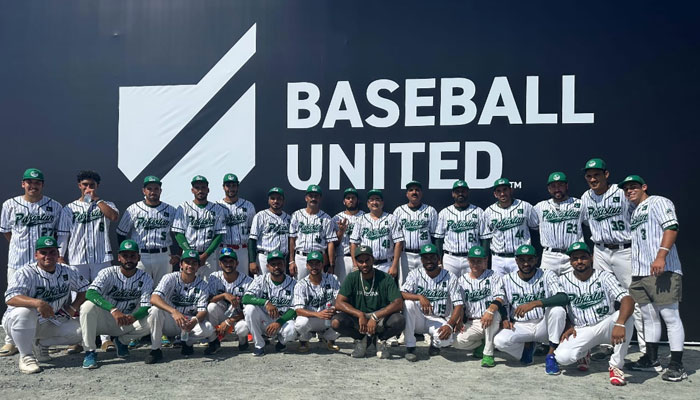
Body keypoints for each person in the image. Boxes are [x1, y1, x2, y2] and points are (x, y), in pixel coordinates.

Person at [621, 175, 687, 382]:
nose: (630, 191)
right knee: (649, 317)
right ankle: (651, 359)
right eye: (627, 189)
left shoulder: (658, 201)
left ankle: (677, 365)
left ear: (644, 187)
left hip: (662, 269)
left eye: (634, 187)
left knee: (670, 316)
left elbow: (671, 227)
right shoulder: (635, 211)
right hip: (640, 272)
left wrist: (661, 256)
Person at [545, 242, 635, 386]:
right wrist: (567, 324)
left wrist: (619, 323)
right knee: (562, 358)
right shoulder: (562, 280)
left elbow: (627, 299)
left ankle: (616, 366)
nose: (579, 261)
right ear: (570, 261)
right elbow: (560, 308)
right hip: (581, 329)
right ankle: (583, 353)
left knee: (627, 317)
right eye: (575, 258)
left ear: (591, 258)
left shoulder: (604, 276)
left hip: (606, 325)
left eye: (583, 257)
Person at [580, 159, 645, 357]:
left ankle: (644, 349)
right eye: (589, 176)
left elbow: (641, 212)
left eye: (597, 175)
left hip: (624, 249)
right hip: (600, 250)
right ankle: (606, 343)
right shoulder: (586, 197)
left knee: (634, 297)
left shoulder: (621, 192)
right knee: (603, 298)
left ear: (606, 174)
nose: (593, 179)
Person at [0, 168, 63, 357]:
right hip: (18, 261)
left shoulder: (55, 206)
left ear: (42, 185)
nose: (33, 186)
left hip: (44, 264)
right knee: (14, 302)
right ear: (23, 184)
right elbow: (7, 232)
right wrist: (21, 247)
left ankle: (41, 340)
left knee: (47, 298)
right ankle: (10, 341)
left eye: (37, 183)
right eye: (29, 182)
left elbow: (60, 234)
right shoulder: (10, 204)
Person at [2, 236, 88, 373]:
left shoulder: (67, 271)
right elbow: (11, 298)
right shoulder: (25, 272)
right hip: (17, 323)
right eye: (43, 252)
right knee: (25, 311)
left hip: (49, 321)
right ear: (36, 255)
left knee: (82, 331)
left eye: (52, 252)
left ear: (58, 254)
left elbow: (84, 289)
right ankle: (26, 356)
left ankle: (40, 345)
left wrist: (73, 307)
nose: (48, 256)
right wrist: (37, 302)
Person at [57, 170, 119, 352]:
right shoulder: (69, 208)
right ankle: (77, 338)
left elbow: (114, 217)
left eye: (91, 185)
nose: (88, 188)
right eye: (85, 185)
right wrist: (61, 256)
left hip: (101, 257)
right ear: (79, 186)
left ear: (97, 186)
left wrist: (96, 200)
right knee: (77, 297)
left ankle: (106, 338)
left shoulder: (106, 204)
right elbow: (63, 234)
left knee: (103, 294)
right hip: (77, 259)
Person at [79, 240, 153, 369]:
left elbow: (146, 305)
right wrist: (113, 309)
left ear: (138, 258)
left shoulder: (145, 277)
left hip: (127, 320)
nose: (128, 259)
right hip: (105, 319)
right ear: (119, 257)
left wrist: (134, 317)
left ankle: (121, 342)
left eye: (132, 256)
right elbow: (90, 293)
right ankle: (90, 351)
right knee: (87, 306)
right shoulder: (107, 272)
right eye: (125, 256)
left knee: (153, 317)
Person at [493, 245, 566, 374]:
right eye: (522, 260)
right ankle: (525, 349)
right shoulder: (506, 279)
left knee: (558, 310)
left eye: (530, 259)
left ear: (536, 260)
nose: (526, 263)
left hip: (544, 325)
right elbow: (499, 300)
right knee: (499, 341)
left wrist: (534, 303)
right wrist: (505, 318)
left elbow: (563, 297)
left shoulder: (547, 274)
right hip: (521, 326)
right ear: (516, 261)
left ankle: (551, 355)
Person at [331, 245, 405, 359]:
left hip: (380, 316)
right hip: (359, 316)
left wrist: (375, 317)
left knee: (399, 320)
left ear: (373, 260)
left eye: (367, 260)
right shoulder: (352, 277)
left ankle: (380, 339)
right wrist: (359, 314)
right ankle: (361, 339)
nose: (364, 264)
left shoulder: (385, 278)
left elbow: (398, 303)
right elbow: (339, 303)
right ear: (356, 262)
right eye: (360, 261)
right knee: (336, 322)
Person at [145, 250, 217, 364]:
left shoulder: (203, 285)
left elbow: (202, 311)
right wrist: (173, 312)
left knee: (207, 328)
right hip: (170, 320)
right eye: (187, 262)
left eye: (194, 263)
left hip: (187, 323)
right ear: (181, 265)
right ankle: (156, 350)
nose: (190, 265)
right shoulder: (169, 278)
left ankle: (187, 343)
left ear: (198, 266)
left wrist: (195, 321)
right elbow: (154, 298)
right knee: (154, 310)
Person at [401, 244, 463, 361]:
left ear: (438, 259)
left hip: (437, 318)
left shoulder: (450, 277)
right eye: (425, 258)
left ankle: (435, 344)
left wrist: (450, 324)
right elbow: (402, 293)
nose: (429, 261)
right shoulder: (415, 274)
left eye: (432, 257)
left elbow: (458, 304)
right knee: (408, 303)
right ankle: (410, 347)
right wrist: (420, 297)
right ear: (422, 260)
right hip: (418, 318)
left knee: (447, 339)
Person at [116, 175, 179, 286]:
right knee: (139, 289)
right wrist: (126, 255)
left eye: (156, 189)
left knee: (164, 289)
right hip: (140, 256)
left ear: (160, 191)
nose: (153, 191)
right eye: (149, 188)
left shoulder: (171, 210)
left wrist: (178, 255)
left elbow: (180, 233)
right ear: (144, 191)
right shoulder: (133, 209)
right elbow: (121, 233)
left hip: (163, 255)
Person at [455, 246, 505, 368]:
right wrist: (459, 319)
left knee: (492, 315)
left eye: (479, 261)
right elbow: (460, 303)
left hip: (491, 318)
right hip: (473, 322)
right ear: (468, 261)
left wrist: (490, 310)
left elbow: (500, 297)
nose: (475, 264)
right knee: (456, 341)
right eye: (473, 261)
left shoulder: (493, 276)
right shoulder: (462, 280)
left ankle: (488, 354)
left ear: (485, 260)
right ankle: (480, 345)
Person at [242, 250, 298, 356]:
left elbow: (295, 308)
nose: (276, 267)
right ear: (268, 266)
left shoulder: (294, 284)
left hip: (282, 320)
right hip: (264, 318)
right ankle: (259, 345)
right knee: (249, 308)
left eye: (279, 264)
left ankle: (281, 343)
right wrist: (266, 302)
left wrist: (279, 322)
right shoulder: (260, 280)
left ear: (284, 264)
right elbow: (245, 298)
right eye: (273, 264)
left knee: (291, 330)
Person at [172, 175, 226, 279]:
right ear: (192, 190)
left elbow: (219, 235)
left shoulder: (217, 209)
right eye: (197, 188)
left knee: (210, 287)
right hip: (188, 254)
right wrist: (190, 252)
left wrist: (205, 255)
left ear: (208, 190)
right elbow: (179, 234)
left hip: (209, 256)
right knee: (187, 285)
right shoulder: (183, 207)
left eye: (203, 187)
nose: (200, 190)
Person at [532, 172, 584, 275]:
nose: (557, 189)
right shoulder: (539, 207)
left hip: (573, 255)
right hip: (549, 256)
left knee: (574, 288)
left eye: (560, 185)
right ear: (548, 189)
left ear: (566, 186)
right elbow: (533, 226)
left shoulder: (580, 204)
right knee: (547, 288)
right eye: (553, 186)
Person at [482, 178, 537, 275]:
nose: (502, 193)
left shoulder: (525, 206)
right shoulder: (488, 212)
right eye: (499, 191)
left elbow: (535, 229)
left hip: (521, 257)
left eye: (505, 189)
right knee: (498, 288)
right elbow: (486, 237)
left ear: (511, 190)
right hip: (498, 259)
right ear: (495, 194)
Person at [292, 250, 341, 352]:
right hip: (311, 318)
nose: (314, 267)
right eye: (311, 264)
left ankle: (329, 339)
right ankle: (304, 340)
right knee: (301, 323)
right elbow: (298, 310)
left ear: (322, 264)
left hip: (327, 317)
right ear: (307, 266)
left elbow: (340, 300)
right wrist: (318, 314)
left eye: (317, 263)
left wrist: (334, 309)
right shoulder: (301, 284)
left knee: (343, 317)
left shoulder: (332, 279)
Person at [435, 180, 485, 278]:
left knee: (472, 288)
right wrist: (439, 260)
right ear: (453, 194)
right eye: (457, 191)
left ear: (468, 192)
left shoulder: (479, 212)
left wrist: (484, 259)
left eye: (463, 191)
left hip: (472, 258)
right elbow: (439, 239)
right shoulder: (444, 213)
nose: (460, 193)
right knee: (449, 287)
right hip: (450, 258)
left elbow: (484, 238)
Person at [349, 189, 405, 278]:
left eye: (377, 199)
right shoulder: (360, 220)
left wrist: (394, 265)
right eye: (371, 200)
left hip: (386, 264)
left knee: (385, 291)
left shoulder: (391, 219)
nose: (374, 202)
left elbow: (398, 242)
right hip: (366, 265)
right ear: (368, 204)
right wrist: (355, 264)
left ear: (382, 203)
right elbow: (353, 243)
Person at [206, 247, 253, 351]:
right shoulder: (214, 277)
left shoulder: (247, 281)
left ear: (237, 263)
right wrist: (223, 295)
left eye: (231, 261)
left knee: (242, 328)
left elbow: (249, 310)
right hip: (222, 313)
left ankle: (243, 341)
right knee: (211, 307)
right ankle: (214, 341)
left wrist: (229, 321)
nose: (228, 264)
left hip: (239, 317)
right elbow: (208, 300)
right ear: (220, 263)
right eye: (225, 261)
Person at [393, 180, 438, 284]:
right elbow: (395, 238)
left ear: (421, 193)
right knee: (405, 284)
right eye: (411, 190)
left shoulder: (430, 210)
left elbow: (435, 236)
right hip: (405, 254)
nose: (414, 192)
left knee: (425, 283)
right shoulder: (399, 211)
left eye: (417, 190)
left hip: (426, 255)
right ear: (407, 194)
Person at [289, 185, 337, 280]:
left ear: (320, 199)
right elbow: (292, 239)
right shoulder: (296, 215)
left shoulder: (326, 218)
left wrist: (331, 265)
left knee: (318, 286)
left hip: (319, 258)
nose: (313, 198)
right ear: (306, 198)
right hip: (301, 257)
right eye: (311, 196)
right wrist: (291, 261)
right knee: (298, 285)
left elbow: (330, 242)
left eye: (316, 196)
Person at [217, 173, 256, 276]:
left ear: (238, 186)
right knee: (221, 279)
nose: (231, 188)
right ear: (223, 187)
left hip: (242, 249)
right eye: (228, 185)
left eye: (233, 185)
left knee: (243, 280)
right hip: (222, 249)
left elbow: (253, 234)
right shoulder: (216, 206)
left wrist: (252, 259)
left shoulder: (248, 206)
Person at [247, 187, 291, 275]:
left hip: (281, 259)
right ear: (268, 200)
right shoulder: (260, 216)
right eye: (273, 198)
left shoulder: (289, 218)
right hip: (264, 257)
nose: (275, 201)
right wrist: (252, 261)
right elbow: (252, 239)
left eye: (279, 199)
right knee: (263, 285)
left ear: (283, 201)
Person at [332, 188, 365, 283]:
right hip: (342, 258)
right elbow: (334, 244)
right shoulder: (336, 218)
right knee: (342, 288)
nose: (351, 200)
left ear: (358, 200)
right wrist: (341, 232)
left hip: (360, 258)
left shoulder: (365, 217)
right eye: (348, 198)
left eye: (353, 198)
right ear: (344, 201)